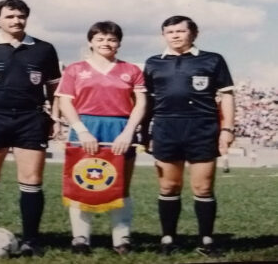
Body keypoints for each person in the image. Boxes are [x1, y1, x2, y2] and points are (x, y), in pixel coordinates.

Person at [0, 0, 61, 256]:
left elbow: (53, 88)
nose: (16, 20)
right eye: (10, 16)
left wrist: (55, 116)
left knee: (31, 180)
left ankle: (31, 240)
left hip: (30, 118)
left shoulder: (44, 49)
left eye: (21, 16)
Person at [144, 15, 235, 257]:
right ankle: (168, 239)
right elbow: (146, 102)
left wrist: (227, 129)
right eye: (169, 31)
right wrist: (145, 133)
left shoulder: (212, 60)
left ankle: (206, 240)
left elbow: (227, 96)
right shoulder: (153, 62)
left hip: (202, 129)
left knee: (203, 187)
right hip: (166, 129)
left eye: (180, 31)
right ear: (163, 35)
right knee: (168, 185)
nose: (174, 35)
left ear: (193, 33)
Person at [55, 21, 146, 255]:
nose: (106, 43)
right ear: (91, 42)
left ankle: (122, 239)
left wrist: (129, 131)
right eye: (101, 38)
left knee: (121, 184)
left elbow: (141, 103)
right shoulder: (75, 69)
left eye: (112, 39)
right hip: (85, 126)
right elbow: (65, 101)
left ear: (119, 43)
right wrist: (81, 130)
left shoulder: (131, 70)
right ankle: (80, 238)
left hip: (120, 127)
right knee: (81, 183)